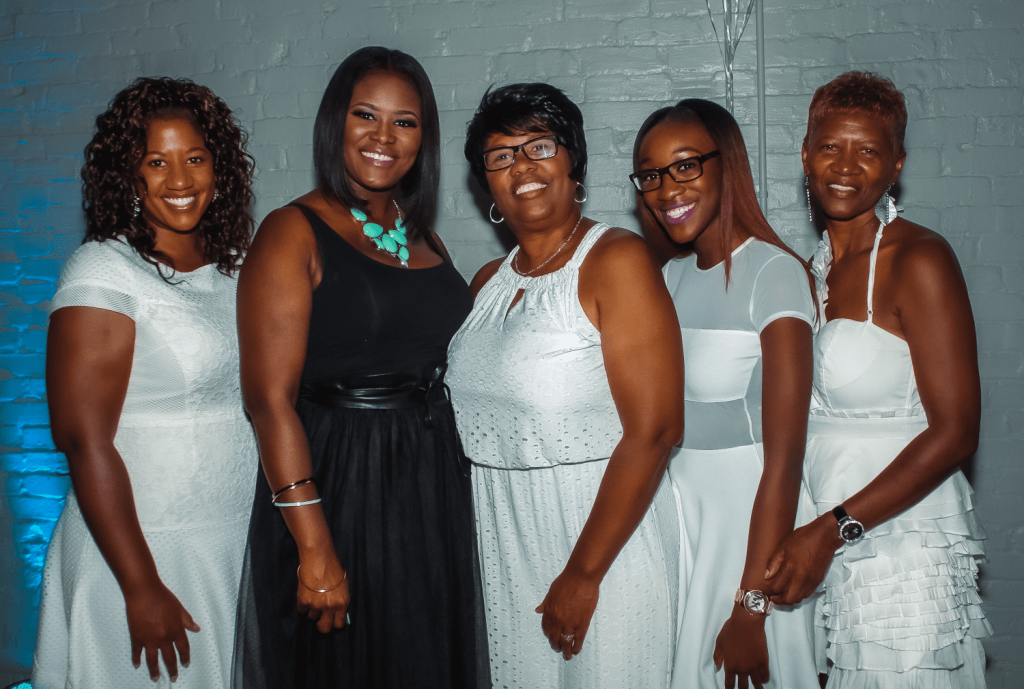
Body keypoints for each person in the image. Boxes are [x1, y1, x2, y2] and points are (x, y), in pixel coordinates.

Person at [232, 46, 487, 689]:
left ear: (423, 138)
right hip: (341, 484)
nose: (383, 137)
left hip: (428, 486)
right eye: (365, 116)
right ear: (334, 124)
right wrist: (315, 547)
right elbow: (268, 400)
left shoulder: (425, 237)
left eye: (405, 121)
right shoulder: (291, 231)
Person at [446, 82, 684, 688]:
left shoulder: (616, 261)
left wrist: (582, 574)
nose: (521, 167)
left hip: (598, 539)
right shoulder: (485, 284)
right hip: (502, 538)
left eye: (539, 147)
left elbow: (656, 430)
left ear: (572, 160)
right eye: (500, 156)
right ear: (486, 184)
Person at [762, 71, 992, 687]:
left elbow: (957, 433)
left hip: (897, 548)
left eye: (868, 150)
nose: (845, 165)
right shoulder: (810, 268)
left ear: (896, 165)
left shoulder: (920, 258)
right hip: (817, 541)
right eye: (831, 146)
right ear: (805, 154)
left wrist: (836, 528)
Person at [32, 77, 257, 688]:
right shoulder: (105, 268)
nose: (179, 180)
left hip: (229, 542)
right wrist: (141, 585)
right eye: (155, 162)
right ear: (128, 174)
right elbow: (82, 439)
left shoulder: (235, 268)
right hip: (145, 553)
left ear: (220, 167)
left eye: (194, 159)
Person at [632, 99, 821, 689]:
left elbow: (786, 459)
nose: (668, 189)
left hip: (752, 533)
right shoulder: (668, 276)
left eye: (686, 166)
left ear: (726, 164)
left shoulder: (775, 273)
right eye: (651, 174)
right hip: (684, 521)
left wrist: (752, 606)